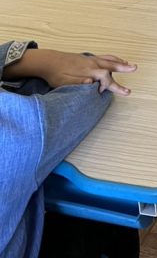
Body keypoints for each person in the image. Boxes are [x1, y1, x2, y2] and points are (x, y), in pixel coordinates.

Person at [0, 40, 137, 258]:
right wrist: (41, 61)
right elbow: (93, 84)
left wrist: (35, 61)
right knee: (104, 214)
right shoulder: (19, 130)